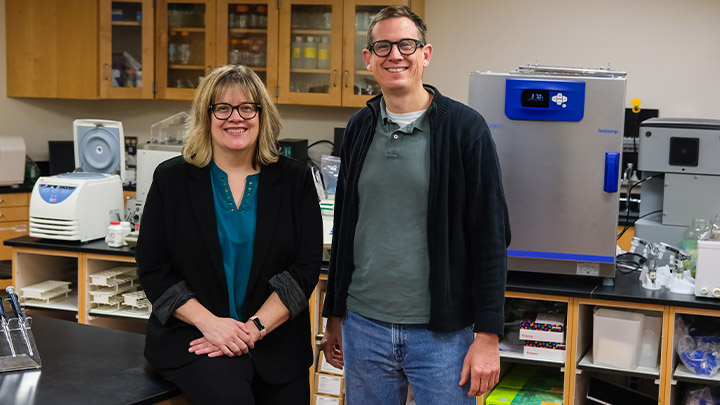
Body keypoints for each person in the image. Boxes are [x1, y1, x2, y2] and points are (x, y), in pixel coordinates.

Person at [321, 6, 511, 404]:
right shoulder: (360, 127)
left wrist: (489, 335)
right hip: (364, 326)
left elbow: (491, 236)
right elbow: (347, 228)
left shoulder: (464, 129)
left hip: (442, 335)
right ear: (368, 58)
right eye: (383, 46)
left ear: (425, 54)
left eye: (406, 44)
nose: (395, 55)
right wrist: (334, 314)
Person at [136, 65, 322, 405]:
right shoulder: (172, 180)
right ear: (206, 116)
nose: (235, 118)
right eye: (222, 108)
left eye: (247, 107)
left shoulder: (294, 180)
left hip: (275, 342)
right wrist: (212, 325)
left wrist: (252, 328)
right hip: (195, 339)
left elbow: (305, 269)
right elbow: (153, 268)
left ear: (261, 115)